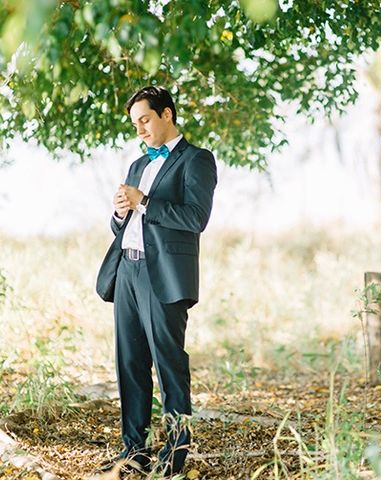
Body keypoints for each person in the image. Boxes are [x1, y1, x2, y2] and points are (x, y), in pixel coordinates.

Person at [96, 85, 217, 474]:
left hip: (162, 275)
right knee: (129, 364)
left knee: (169, 366)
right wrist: (119, 213)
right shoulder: (136, 165)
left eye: (145, 120)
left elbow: (195, 218)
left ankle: (175, 456)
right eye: (135, 124)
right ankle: (134, 452)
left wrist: (145, 202)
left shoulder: (197, 160)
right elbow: (125, 226)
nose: (140, 130)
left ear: (167, 114)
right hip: (127, 271)